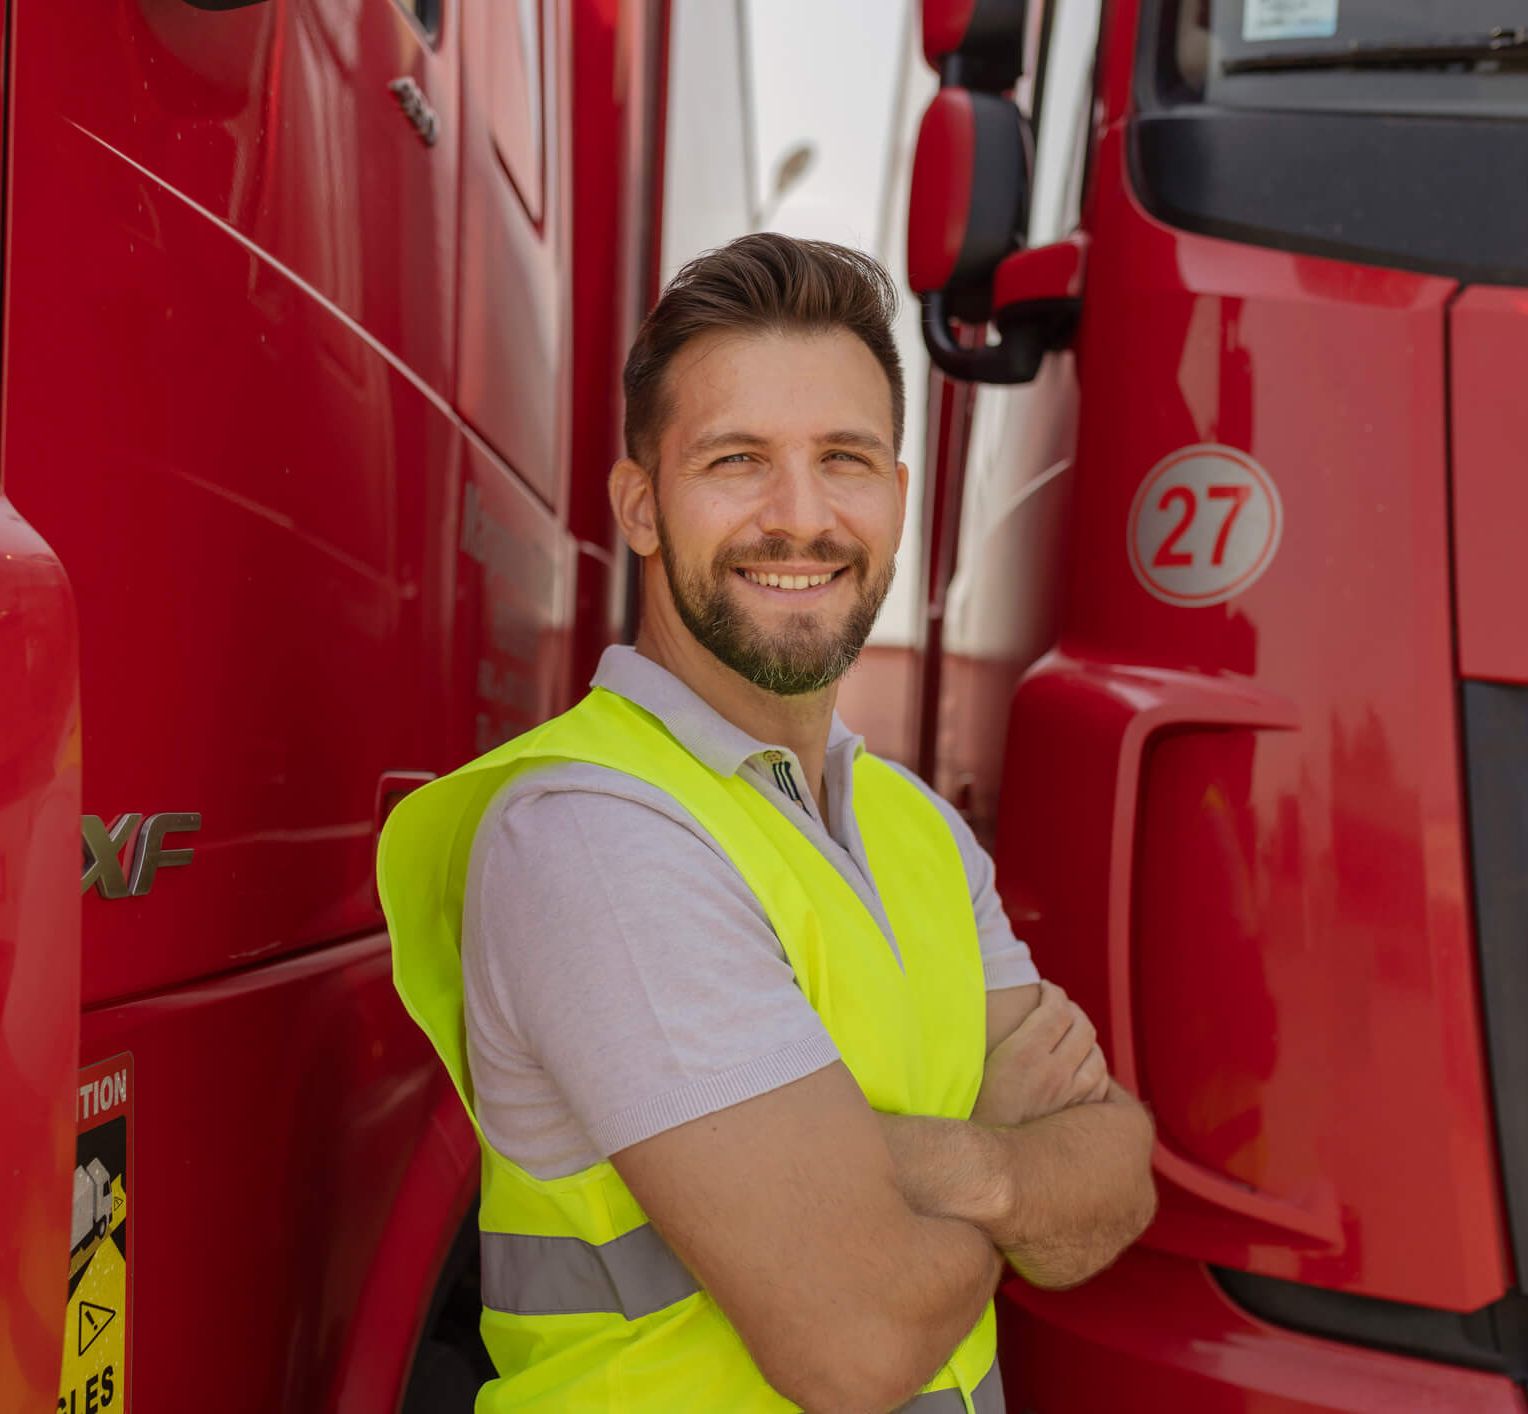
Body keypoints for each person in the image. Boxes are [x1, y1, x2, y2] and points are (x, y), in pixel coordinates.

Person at [380, 233, 1155, 1414]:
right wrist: (1011, 1162)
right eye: (736, 460)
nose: (799, 519)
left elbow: (1116, 1181)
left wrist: (951, 1160)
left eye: (843, 459)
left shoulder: (917, 828)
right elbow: (857, 1344)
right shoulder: (596, 833)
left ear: (894, 500)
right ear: (640, 506)